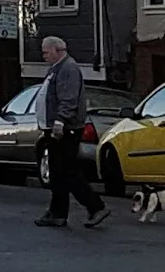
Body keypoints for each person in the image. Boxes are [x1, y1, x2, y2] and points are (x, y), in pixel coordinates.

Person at [32, 36, 109, 229]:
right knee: (58, 172)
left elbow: (69, 97)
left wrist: (60, 120)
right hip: (57, 127)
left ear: (58, 50)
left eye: (46, 52)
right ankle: (58, 213)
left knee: (66, 171)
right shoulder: (57, 69)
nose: (44, 56)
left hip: (66, 129)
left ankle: (95, 206)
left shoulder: (68, 69)